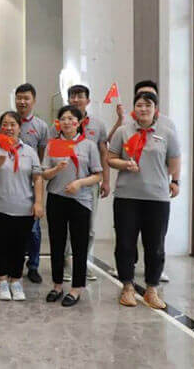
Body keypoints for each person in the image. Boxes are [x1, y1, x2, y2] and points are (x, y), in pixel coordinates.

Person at [108, 92, 181, 309]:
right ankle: (127, 287)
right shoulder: (123, 131)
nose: (143, 109)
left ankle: (151, 289)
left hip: (157, 198)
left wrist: (174, 181)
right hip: (126, 197)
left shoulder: (167, 133)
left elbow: (174, 161)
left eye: (148, 105)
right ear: (134, 108)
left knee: (155, 245)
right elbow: (110, 158)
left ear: (155, 109)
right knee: (125, 243)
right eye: (139, 105)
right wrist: (124, 165)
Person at [0, 111, 43, 301]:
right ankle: (2, 281)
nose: (8, 128)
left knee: (19, 247)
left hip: (24, 207)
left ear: (20, 128)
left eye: (13, 124)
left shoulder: (29, 151)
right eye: (5, 124)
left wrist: (38, 202)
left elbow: (37, 177)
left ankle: (16, 280)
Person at [41, 106, 102, 307]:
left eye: (71, 118)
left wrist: (80, 183)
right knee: (57, 243)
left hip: (81, 201)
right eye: (63, 119)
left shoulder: (89, 145)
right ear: (58, 123)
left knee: (79, 244)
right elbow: (44, 174)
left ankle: (76, 288)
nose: (67, 122)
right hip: (56, 198)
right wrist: (56, 169)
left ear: (79, 122)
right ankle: (57, 285)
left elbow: (97, 175)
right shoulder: (53, 144)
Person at [67, 85, 109, 281]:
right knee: (66, 227)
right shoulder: (59, 124)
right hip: (65, 183)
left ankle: (82, 263)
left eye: (80, 96)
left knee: (89, 227)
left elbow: (104, 153)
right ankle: (66, 263)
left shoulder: (98, 125)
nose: (76, 100)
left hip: (90, 182)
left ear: (88, 100)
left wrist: (106, 180)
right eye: (72, 96)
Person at [15, 83, 49, 284]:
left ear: (33, 100)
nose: (22, 101)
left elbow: (42, 156)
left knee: (34, 229)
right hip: (10, 182)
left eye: (26, 98)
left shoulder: (41, 126)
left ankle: (33, 266)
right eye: (19, 98)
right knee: (11, 228)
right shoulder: (7, 121)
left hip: (31, 182)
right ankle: (12, 264)